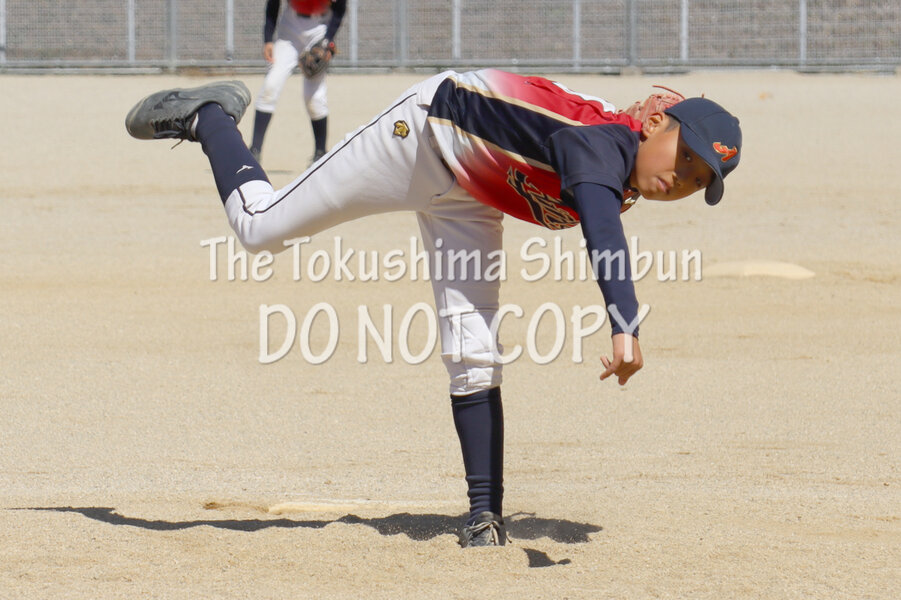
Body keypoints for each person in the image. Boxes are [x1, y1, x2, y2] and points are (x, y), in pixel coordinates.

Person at [124, 69, 742, 547]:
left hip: (473, 196)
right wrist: (624, 325)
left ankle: (484, 516)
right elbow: (603, 232)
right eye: (685, 155)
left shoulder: (626, 166)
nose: (683, 178)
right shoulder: (602, 147)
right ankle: (210, 117)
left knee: (475, 350)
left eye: (698, 179)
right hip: (421, 138)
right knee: (260, 227)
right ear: (654, 124)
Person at [249, 0, 347, 166]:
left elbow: (339, 9)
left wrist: (328, 40)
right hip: (290, 29)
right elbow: (273, 4)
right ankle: (254, 150)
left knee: (314, 98)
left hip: (319, 28)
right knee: (270, 86)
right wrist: (268, 39)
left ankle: (320, 153)